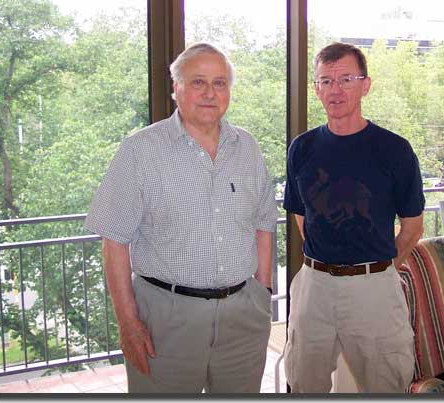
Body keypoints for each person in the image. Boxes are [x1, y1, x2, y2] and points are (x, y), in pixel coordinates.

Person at [84, 43, 278, 393]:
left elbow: (264, 222)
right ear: (176, 88)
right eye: (197, 82)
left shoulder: (247, 147)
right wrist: (128, 324)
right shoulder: (140, 150)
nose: (209, 93)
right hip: (164, 321)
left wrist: (262, 291)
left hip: (242, 318)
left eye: (219, 83)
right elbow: (114, 239)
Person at [283, 42, 425, 393]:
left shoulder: (395, 150)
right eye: (326, 81)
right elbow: (302, 216)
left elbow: (412, 227)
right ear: (316, 89)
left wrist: (378, 268)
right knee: (302, 385)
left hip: (374, 289)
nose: (336, 90)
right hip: (313, 287)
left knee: (386, 386)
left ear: (365, 84)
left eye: (346, 79)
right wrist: (328, 263)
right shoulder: (301, 148)